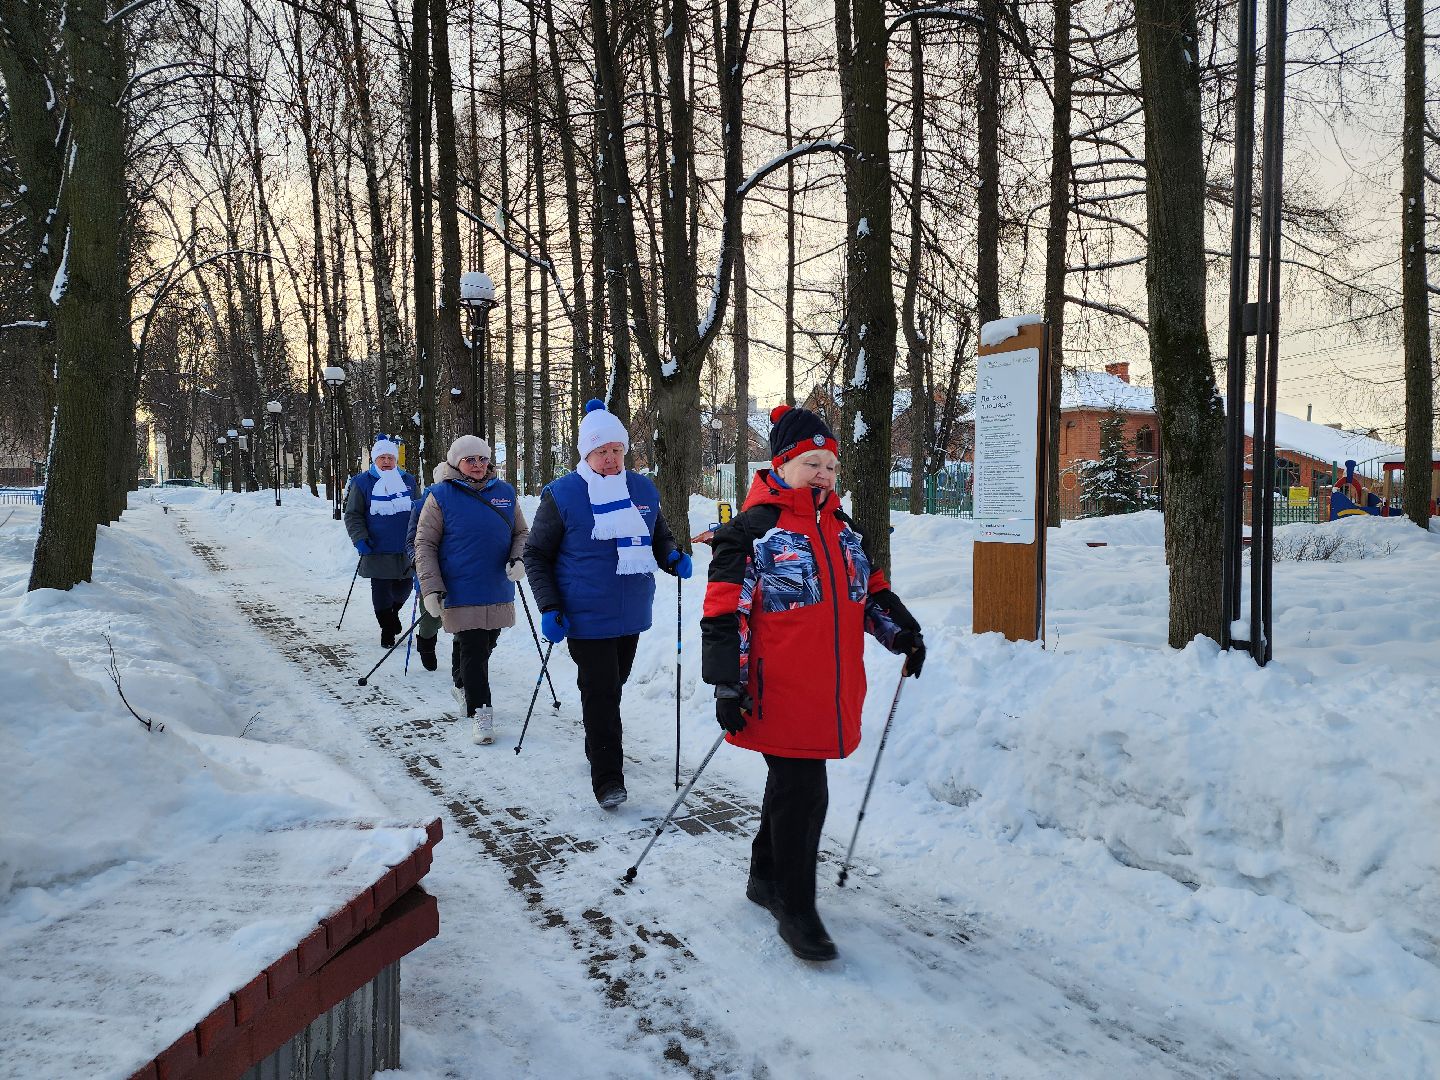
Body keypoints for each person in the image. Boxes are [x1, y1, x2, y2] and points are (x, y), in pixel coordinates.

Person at [700, 405, 926, 962]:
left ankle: (764, 877)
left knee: (791, 786)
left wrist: (904, 635)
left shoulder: (845, 531)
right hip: (774, 689)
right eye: (810, 462)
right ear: (782, 464)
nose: (822, 474)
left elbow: (870, 594)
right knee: (805, 792)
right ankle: (797, 908)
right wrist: (727, 684)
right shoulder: (752, 532)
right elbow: (724, 614)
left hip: (829, 689)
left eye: (830, 464)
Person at [523, 398, 691, 809]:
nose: (612, 459)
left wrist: (671, 556)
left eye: (617, 450)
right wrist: (549, 607)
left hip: (631, 612)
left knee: (611, 689)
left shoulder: (642, 488)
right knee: (601, 695)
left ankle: (597, 741)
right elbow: (536, 555)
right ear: (586, 453)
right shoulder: (563, 495)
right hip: (583, 615)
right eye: (603, 451)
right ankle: (608, 778)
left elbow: (659, 535)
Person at [412, 435, 528, 744]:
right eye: (469, 459)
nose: (477, 465)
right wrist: (431, 588)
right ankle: (481, 715)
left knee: (485, 645)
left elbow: (521, 532)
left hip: (497, 586)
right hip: (460, 589)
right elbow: (424, 544)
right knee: (476, 651)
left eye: (482, 459)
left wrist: (518, 558)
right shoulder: (440, 495)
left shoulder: (505, 492)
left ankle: (461, 685)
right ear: (456, 463)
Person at [344, 436, 419, 648]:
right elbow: (353, 514)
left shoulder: (408, 481)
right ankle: (387, 628)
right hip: (376, 546)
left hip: (405, 546)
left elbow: (419, 511)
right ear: (375, 460)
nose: (386, 461)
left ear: (396, 460)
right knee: (381, 589)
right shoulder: (362, 482)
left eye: (390, 457)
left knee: (404, 588)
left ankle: (392, 613)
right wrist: (359, 538)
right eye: (381, 457)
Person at [406, 462, 450, 674]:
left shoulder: (465, 503)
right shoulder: (420, 505)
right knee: (431, 617)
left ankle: (463, 661)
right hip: (430, 573)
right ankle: (426, 644)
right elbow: (411, 541)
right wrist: (417, 560)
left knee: (461, 618)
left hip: (459, 572)